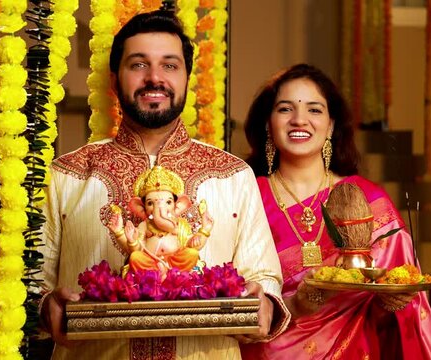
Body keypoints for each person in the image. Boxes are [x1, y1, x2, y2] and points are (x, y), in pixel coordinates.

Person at [39, 10, 290, 359]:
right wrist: (46, 305)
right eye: (138, 65)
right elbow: (34, 281)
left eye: (170, 66)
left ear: (187, 77)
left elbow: (264, 275)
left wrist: (263, 302)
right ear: (114, 80)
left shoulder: (233, 175)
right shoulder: (68, 175)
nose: (154, 78)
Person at [240, 64, 431, 359]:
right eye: (285, 109)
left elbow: (401, 304)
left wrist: (393, 301)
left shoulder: (368, 199)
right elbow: (231, 294)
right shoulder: (246, 195)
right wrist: (295, 305)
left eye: (314, 110)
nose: (299, 120)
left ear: (332, 125)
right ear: (268, 124)